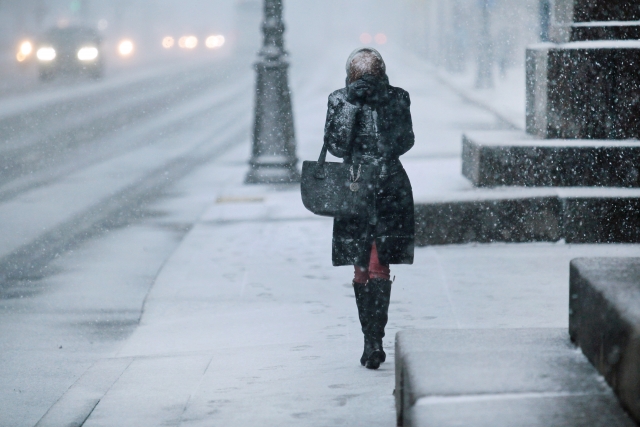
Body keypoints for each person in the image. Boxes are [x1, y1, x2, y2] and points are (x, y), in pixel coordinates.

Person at [323, 48, 415, 369]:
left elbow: (404, 141)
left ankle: (375, 340)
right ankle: (370, 339)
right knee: (361, 266)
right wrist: (352, 104)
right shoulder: (339, 99)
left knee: (378, 264)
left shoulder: (397, 97)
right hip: (355, 192)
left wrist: (382, 102)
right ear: (350, 76)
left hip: (389, 190)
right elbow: (336, 145)